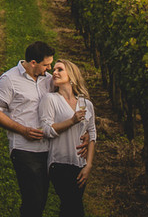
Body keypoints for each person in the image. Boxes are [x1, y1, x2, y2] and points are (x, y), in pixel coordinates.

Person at [0, 41, 55, 217]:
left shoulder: (48, 80)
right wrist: (23, 130)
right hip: (24, 149)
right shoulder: (9, 79)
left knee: (40, 200)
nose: (50, 68)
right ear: (33, 63)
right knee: (33, 199)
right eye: (46, 64)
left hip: (48, 148)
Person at [38, 59, 97, 217]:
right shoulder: (50, 99)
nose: (54, 72)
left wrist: (88, 165)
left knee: (69, 207)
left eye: (60, 69)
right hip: (59, 163)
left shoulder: (85, 104)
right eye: (54, 69)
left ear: (71, 75)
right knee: (74, 205)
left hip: (80, 164)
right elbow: (46, 129)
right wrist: (72, 121)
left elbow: (92, 134)